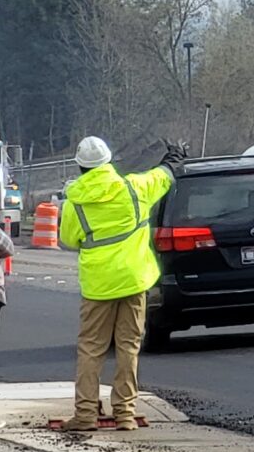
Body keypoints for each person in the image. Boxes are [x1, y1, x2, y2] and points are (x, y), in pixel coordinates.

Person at [56, 137, 176, 433]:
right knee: (128, 347)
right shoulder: (134, 188)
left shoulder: (75, 204)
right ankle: (125, 414)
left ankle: (85, 415)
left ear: (81, 166)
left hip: (98, 286)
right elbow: (165, 176)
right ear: (109, 161)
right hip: (134, 281)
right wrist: (173, 157)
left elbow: (67, 240)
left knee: (91, 350)